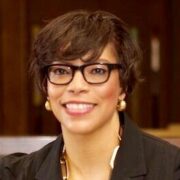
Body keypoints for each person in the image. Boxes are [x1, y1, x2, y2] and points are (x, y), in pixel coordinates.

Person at [0, 9, 180, 180]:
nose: (76, 86)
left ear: (123, 86)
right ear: (45, 86)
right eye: (61, 71)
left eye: (97, 71)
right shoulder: (13, 174)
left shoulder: (171, 170)